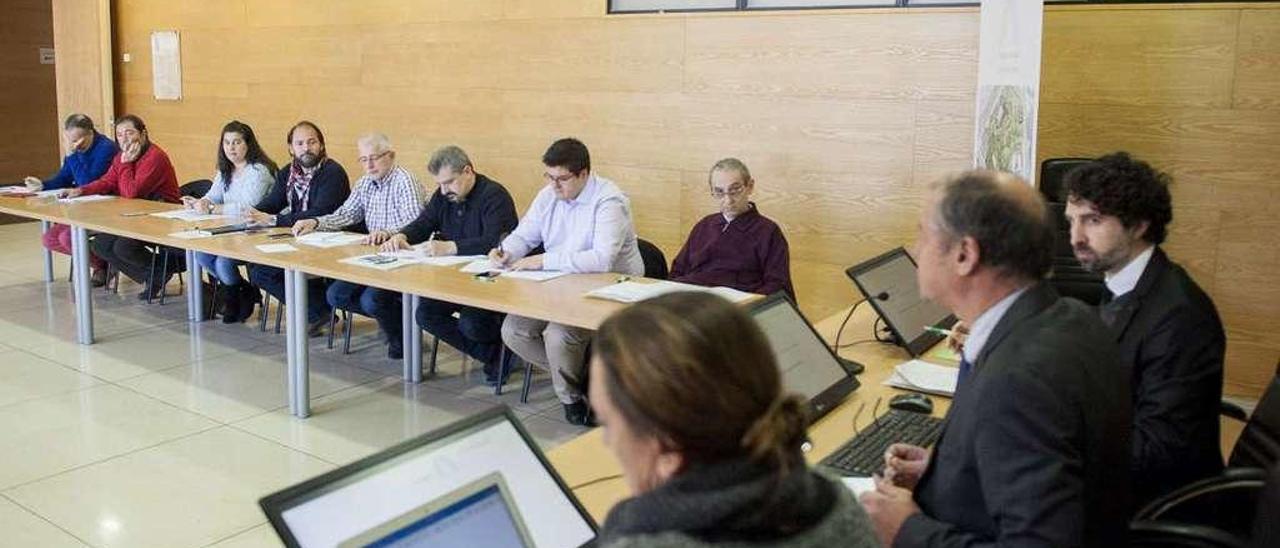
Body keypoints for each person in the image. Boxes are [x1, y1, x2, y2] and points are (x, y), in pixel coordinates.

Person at [860, 170, 1133, 547]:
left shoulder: (1018, 380)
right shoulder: (1069, 316)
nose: (916, 248)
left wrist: (907, 530)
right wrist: (943, 471)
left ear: (964, 255)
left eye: (924, 234)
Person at [589, 291, 878, 547]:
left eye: (607, 424)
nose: (607, 442)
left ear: (666, 446)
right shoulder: (834, 499)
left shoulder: (641, 538)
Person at [1064, 152, 1226, 506]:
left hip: (1154, 502)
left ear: (1138, 224)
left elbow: (1159, 452)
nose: (1075, 237)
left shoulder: (1179, 317)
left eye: (1092, 220)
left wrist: (1054, 440)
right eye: (1071, 221)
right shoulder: (1125, 284)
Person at [495, 138, 643, 425]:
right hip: (561, 284)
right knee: (514, 330)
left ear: (584, 174)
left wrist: (543, 261)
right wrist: (506, 251)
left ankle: (570, 399)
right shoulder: (549, 195)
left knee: (559, 337)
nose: (554, 186)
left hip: (609, 288)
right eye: (549, 177)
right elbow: (525, 234)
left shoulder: (609, 200)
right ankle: (587, 384)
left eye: (562, 179)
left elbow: (601, 260)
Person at [379, 145, 517, 380]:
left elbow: (497, 241)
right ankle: (493, 354)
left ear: (467, 171)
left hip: (489, 280)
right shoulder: (444, 196)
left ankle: (499, 352)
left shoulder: (494, 196)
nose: (444, 190)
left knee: (471, 324)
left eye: (450, 182)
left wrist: (451, 247)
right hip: (453, 278)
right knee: (425, 314)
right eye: (440, 184)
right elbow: (425, 222)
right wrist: (402, 235)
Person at [292, 133, 426, 359]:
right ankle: (397, 321)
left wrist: (390, 233)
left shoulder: (405, 180)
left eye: (374, 158)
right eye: (363, 159)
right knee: (336, 295)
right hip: (374, 258)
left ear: (391, 156)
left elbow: (416, 222)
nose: (369, 164)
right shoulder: (365, 183)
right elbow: (346, 215)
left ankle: (404, 337)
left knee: (371, 299)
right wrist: (315, 222)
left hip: (404, 258)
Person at [245, 121, 350, 336]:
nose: (306, 148)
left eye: (312, 142)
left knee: (269, 271)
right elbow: (273, 202)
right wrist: (252, 213)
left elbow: (321, 212)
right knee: (259, 271)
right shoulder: (288, 172)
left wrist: (274, 220)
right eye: (300, 143)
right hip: (299, 239)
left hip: (329, 240)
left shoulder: (333, 173)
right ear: (291, 148)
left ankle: (317, 310)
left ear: (321, 145)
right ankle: (318, 310)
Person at [62, 115, 181, 300]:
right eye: (119, 135)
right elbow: (108, 181)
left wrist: (126, 164)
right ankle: (155, 273)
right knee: (101, 245)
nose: (124, 139)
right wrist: (81, 190)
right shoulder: (122, 156)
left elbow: (130, 192)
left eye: (129, 133)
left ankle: (159, 271)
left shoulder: (154, 157)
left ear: (143, 134)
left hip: (162, 215)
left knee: (123, 246)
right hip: (136, 214)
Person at [187, 121, 277, 323]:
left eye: (237, 142)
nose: (231, 148)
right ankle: (242, 290)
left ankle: (235, 296)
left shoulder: (259, 171)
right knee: (200, 254)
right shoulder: (225, 169)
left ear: (248, 144)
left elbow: (248, 207)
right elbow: (213, 195)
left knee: (223, 261)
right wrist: (201, 202)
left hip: (258, 229)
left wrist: (211, 209)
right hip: (230, 230)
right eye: (227, 143)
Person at [670, 158, 795, 300]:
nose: (728, 200)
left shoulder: (768, 231)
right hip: (695, 301)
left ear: (750, 186)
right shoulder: (704, 225)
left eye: (735, 190)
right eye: (719, 192)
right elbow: (678, 270)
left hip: (736, 308)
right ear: (712, 191)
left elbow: (777, 285)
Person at [26, 114, 117, 286]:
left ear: (90, 133)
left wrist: (72, 155)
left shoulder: (106, 149)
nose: (74, 144)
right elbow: (64, 177)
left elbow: (87, 183)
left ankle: (103, 266)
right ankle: (102, 263)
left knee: (67, 238)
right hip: (82, 207)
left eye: (77, 140)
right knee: (50, 239)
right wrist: (42, 185)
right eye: (70, 139)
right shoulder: (77, 151)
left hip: (104, 207)